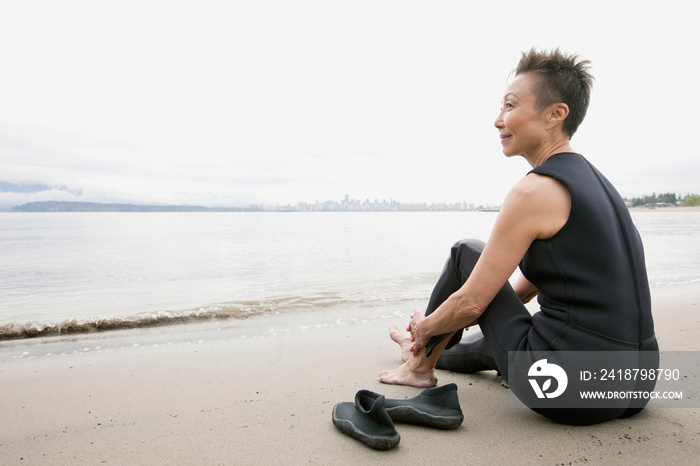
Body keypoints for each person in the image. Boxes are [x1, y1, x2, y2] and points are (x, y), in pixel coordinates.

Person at [379, 48, 658, 426]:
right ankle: (421, 352)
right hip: (635, 384)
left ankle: (418, 363)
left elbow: (473, 303)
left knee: (466, 253)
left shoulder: (534, 191)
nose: (498, 120)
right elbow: (519, 293)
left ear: (556, 114)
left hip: (569, 390)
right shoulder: (597, 185)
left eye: (510, 106)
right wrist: (439, 329)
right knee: (490, 347)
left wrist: (424, 327)